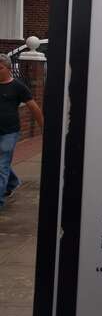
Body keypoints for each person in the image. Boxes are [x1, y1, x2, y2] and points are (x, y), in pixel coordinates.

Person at [0, 54, 43, 210]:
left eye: (0, 68)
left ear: (9, 69)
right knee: (2, 164)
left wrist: (43, 127)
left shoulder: (18, 86)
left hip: (10, 132)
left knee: (2, 164)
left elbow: (33, 107)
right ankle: (12, 182)